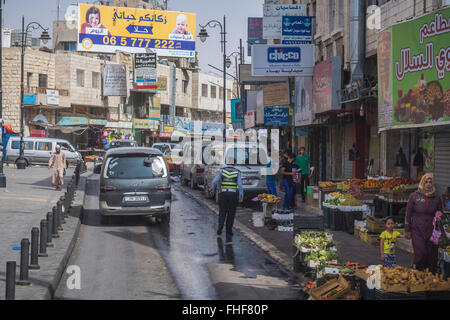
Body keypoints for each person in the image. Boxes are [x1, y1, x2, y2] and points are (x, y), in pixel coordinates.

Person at [405, 173, 443, 273]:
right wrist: (407, 230)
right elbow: (408, 214)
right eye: (426, 182)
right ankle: (417, 273)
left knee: (432, 255)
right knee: (421, 253)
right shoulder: (414, 196)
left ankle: (430, 279)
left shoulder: (436, 198)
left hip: (433, 231)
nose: (428, 184)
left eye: (430, 182)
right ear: (422, 182)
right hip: (417, 231)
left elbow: (440, 211)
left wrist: (439, 213)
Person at [210, 165, 244, 244]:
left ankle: (220, 226)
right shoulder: (237, 172)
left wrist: (212, 190)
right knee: (231, 213)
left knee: (222, 211)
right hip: (233, 195)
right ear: (234, 164)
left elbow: (214, 181)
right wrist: (241, 196)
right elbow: (240, 185)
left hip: (223, 194)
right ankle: (229, 230)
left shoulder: (222, 171)